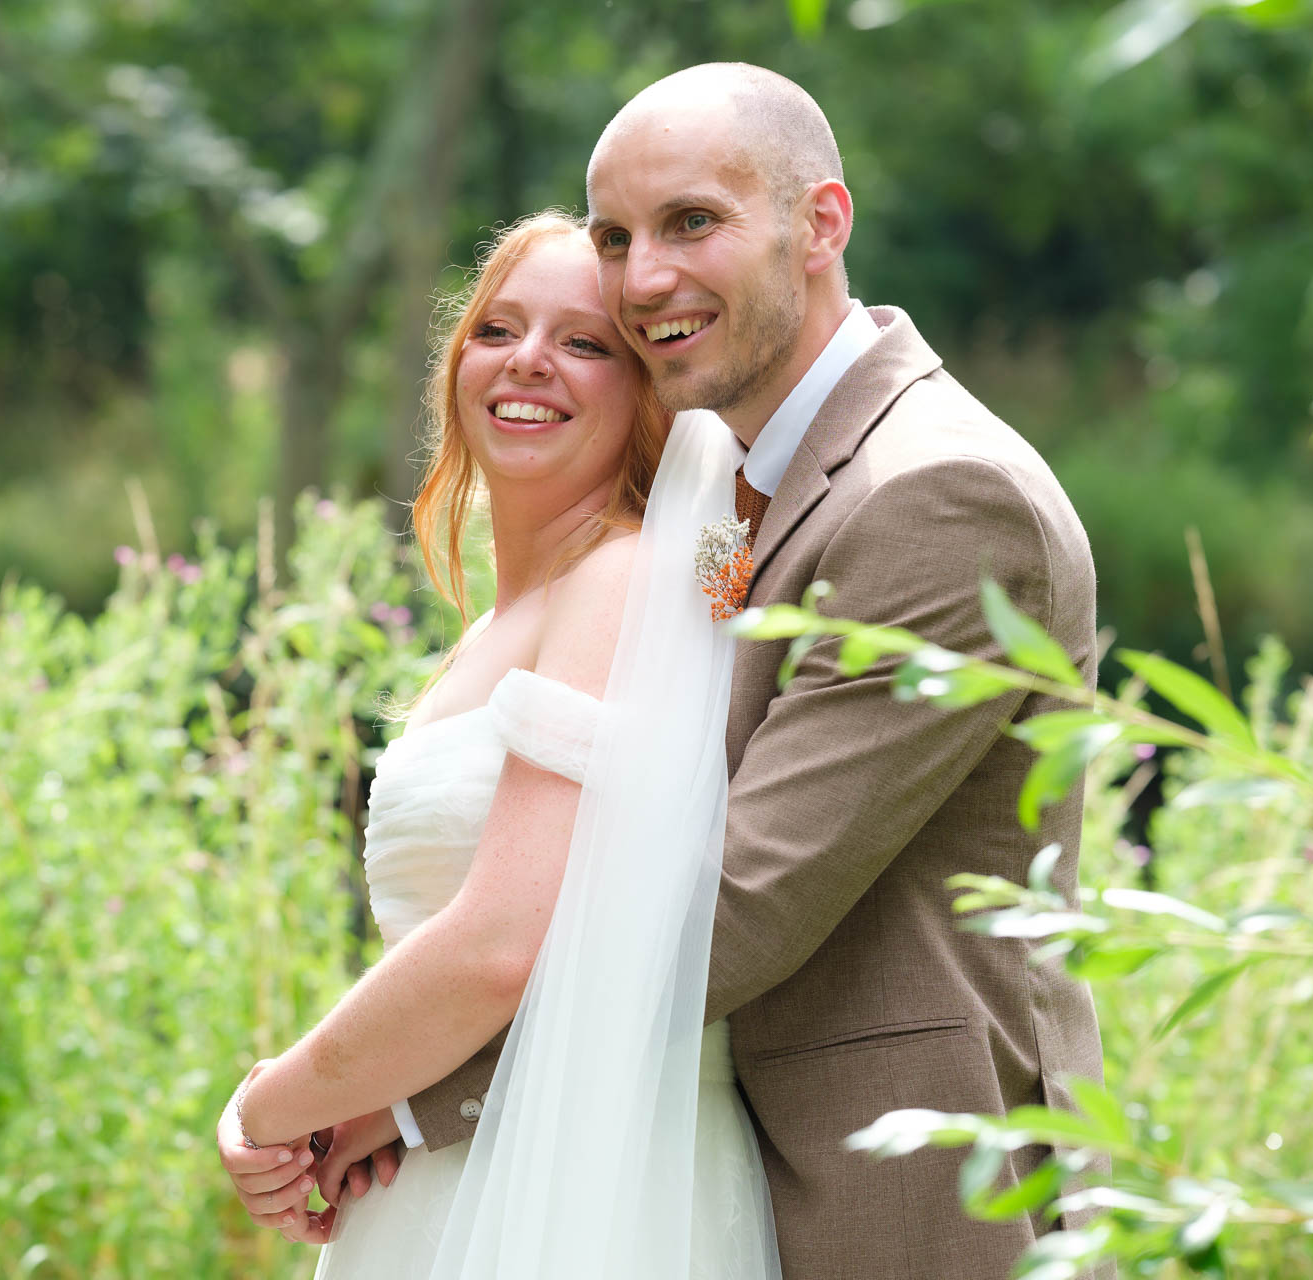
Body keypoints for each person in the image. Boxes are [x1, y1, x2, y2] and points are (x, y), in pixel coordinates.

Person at [399, 64, 1111, 1278]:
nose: (642, 280)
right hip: (721, 1186)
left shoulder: (937, 491)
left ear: (821, 223)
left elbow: (739, 898)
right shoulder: (727, 478)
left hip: (916, 1201)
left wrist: (408, 1099)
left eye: (692, 222)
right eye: (616, 237)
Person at [216, 210, 781, 1277]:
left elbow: (499, 948)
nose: (528, 360)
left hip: (578, 1198)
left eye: (584, 343)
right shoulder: (492, 628)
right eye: (497, 328)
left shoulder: (622, 582)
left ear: (649, 391)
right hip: (443, 1178)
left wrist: (269, 1107)